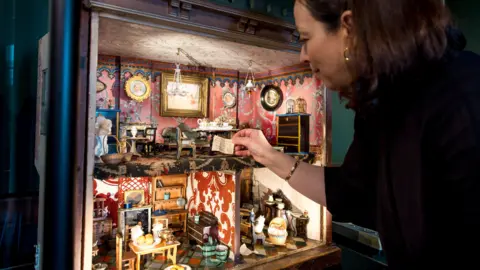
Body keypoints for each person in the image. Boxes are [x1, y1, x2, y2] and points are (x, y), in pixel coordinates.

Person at [232, 0, 480, 269]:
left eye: (305, 38)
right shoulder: (381, 108)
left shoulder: (462, 99)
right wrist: (268, 155)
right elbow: (351, 193)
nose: (303, 55)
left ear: (349, 28)